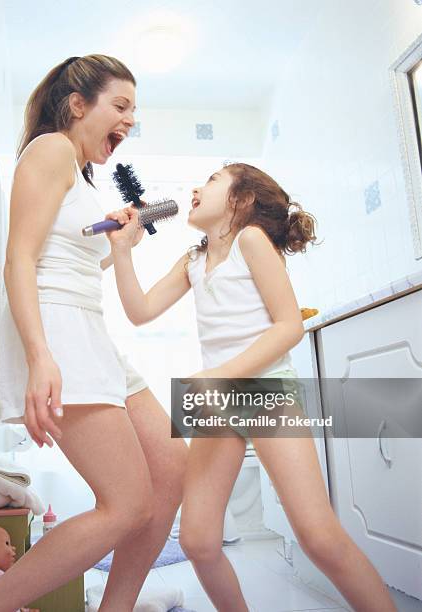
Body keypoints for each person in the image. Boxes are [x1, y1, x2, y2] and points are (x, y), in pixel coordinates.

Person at [106, 162, 397, 611]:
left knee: (317, 535)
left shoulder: (251, 242)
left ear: (240, 201)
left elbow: (288, 328)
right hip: (217, 400)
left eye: (212, 181)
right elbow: (140, 311)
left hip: (265, 392)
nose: (196, 188)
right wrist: (122, 251)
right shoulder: (194, 260)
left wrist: (223, 376)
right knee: (199, 541)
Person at [0, 54, 187, 612]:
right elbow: (19, 261)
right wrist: (40, 357)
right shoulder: (52, 149)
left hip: (90, 333)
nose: (129, 121)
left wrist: (120, 248)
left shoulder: (80, 174)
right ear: (78, 104)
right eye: (121, 106)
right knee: (126, 501)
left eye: (134, 111)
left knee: (173, 466)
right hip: (60, 334)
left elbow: (70, 265)